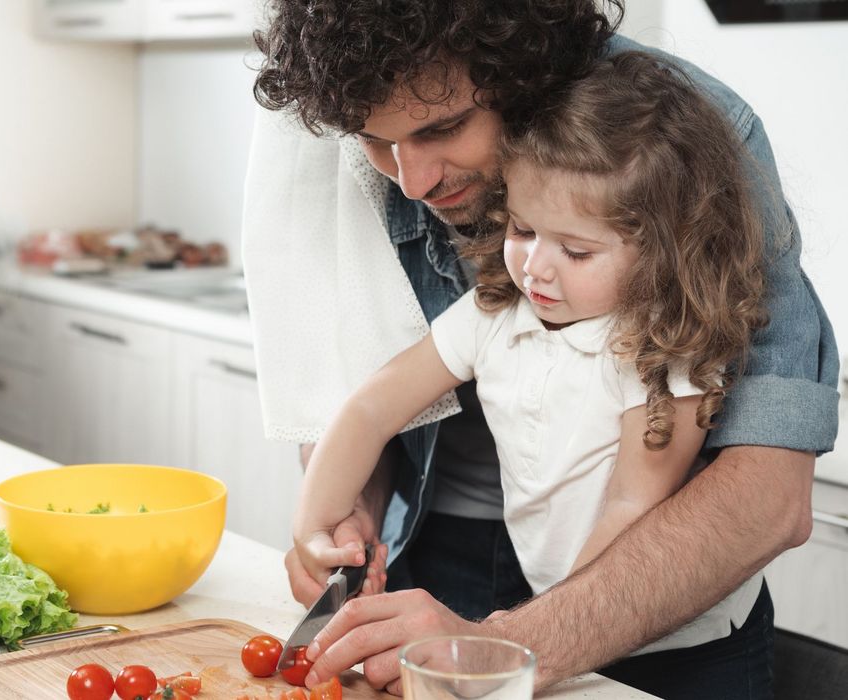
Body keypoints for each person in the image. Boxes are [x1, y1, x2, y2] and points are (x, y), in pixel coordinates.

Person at [241, 0, 839, 697]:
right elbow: (362, 388)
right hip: (432, 561)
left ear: (526, 79)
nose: (413, 182)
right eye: (375, 141)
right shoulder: (365, 146)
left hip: (658, 595)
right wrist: (342, 509)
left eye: (446, 127)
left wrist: (514, 642)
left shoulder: (688, 140)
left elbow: (762, 497)